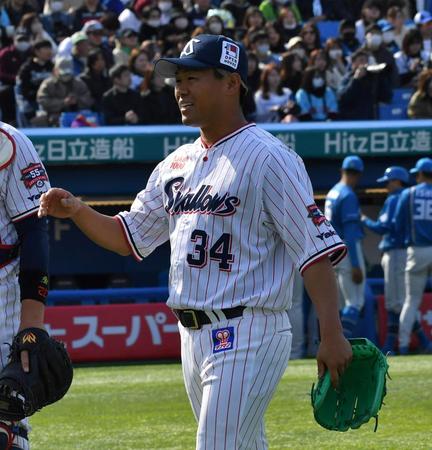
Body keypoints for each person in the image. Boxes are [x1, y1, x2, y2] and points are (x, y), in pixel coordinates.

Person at [38, 34, 352, 450]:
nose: (180, 89)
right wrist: (78, 211)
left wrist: (332, 333)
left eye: (193, 77)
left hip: (249, 326)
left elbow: (314, 253)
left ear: (231, 83)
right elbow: (129, 238)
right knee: (241, 444)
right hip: (192, 334)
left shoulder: (270, 158)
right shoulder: (175, 163)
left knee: (216, 444)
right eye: (177, 79)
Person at [0, 120, 50, 450]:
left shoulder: (8, 143)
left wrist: (31, 329)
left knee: (6, 433)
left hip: (1, 307)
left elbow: (35, 232)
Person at [361, 166, 409, 354]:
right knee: (404, 300)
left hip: (396, 251)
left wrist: (364, 219)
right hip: (404, 251)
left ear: (397, 181)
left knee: (396, 302)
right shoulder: (409, 197)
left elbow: (383, 227)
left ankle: (391, 344)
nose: (387, 185)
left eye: (388, 181)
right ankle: (404, 342)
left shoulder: (396, 198)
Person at [394, 157, 432, 355]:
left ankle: (403, 345)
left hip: (416, 250)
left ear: (419, 175)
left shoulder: (408, 193)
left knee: (411, 301)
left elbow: (397, 224)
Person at [325, 156, 365, 338]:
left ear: (342, 171)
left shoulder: (333, 191)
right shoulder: (348, 195)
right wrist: (356, 263)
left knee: (339, 305)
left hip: (331, 251)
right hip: (346, 250)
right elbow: (350, 233)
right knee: (354, 302)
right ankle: (344, 344)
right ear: (358, 175)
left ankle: (334, 342)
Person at [36, 56, 93, 126]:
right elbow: (42, 100)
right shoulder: (48, 84)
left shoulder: (79, 83)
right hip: (52, 116)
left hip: (76, 117)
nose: (66, 76)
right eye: (63, 73)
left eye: (68, 73)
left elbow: (88, 99)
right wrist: (63, 102)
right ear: (55, 70)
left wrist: (77, 101)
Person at [338, 48, 392, 120]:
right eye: (361, 60)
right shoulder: (347, 78)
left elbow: (387, 97)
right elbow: (343, 98)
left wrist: (380, 76)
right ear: (353, 63)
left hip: (370, 120)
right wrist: (356, 79)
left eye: (366, 61)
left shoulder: (371, 78)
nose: (364, 63)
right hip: (352, 120)